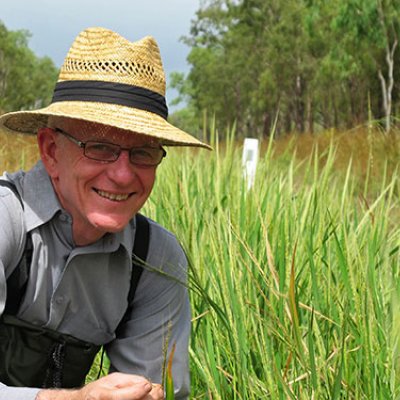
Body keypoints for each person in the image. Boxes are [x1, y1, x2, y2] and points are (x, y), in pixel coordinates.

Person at [0, 27, 210, 400]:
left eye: (143, 152)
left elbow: (158, 388)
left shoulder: (154, 259)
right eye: (99, 147)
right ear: (50, 150)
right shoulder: (5, 220)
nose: (123, 174)